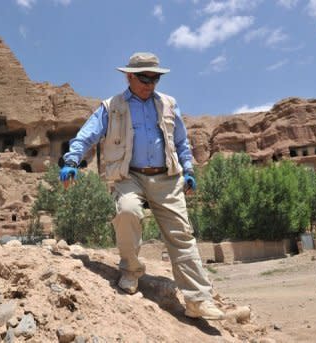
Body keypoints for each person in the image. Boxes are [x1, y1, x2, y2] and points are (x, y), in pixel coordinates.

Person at [59, 52, 224, 320]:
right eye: (145, 78)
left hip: (166, 178)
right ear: (129, 76)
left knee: (181, 235)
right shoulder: (112, 106)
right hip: (130, 175)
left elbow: (181, 141)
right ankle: (130, 271)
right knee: (126, 212)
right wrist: (71, 161)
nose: (151, 84)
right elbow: (87, 135)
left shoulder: (169, 104)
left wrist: (189, 168)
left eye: (155, 78)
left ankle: (198, 300)